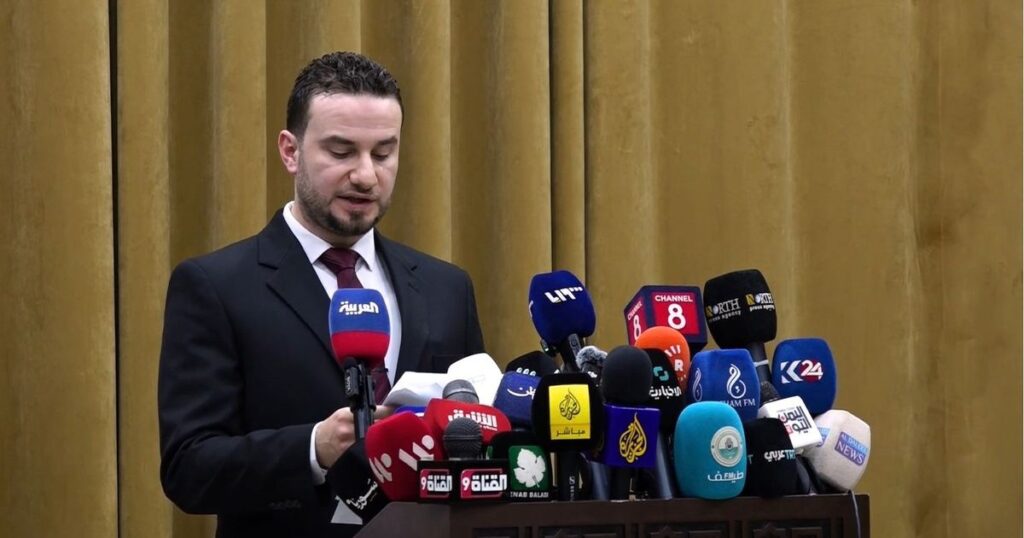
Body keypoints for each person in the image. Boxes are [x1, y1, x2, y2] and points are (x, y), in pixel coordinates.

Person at [158, 51, 486, 538]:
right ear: (290, 151)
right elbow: (189, 468)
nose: (366, 175)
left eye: (383, 153)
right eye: (341, 152)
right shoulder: (216, 287)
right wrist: (314, 447)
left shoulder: (447, 288)